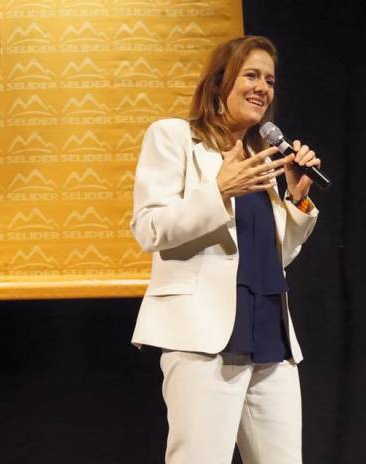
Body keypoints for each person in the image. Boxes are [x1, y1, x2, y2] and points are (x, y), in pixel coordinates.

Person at [130, 36, 321, 464]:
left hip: (270, 336)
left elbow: (275, 257)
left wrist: (296, 199)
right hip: (205, 337)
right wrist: (217, 191)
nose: (262, 88)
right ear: (219, 83)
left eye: (269, 80)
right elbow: (149, 228)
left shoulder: (261, 157)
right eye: (251, 75)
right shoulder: (175, 137)